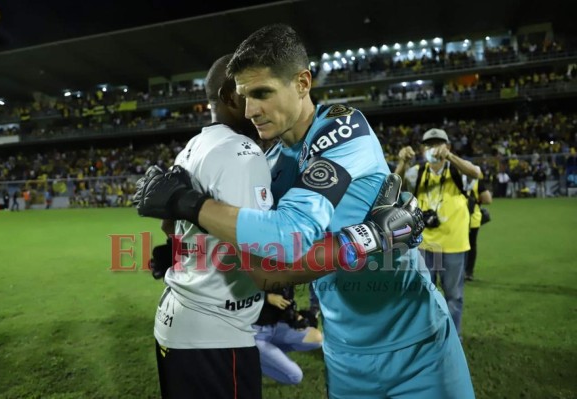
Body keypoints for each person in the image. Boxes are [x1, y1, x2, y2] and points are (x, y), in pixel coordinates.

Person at [136, 24, 473, 399]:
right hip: (345, 354)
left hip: (418, 343)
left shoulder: (343, 127)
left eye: (262, 93)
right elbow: (266, 272)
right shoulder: (272, 162)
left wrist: (185, 203)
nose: (251, 111)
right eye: (245, 97)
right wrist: (370, 239)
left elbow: (285, 235)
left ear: (302, 82)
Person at [150, 54, 269, 399]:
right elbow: (260, 249)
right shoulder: (242, 151)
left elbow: (168, 228)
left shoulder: (193, 146)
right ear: (232, 96)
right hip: (217, 335)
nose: (263, 105)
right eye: (257, 92)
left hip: (177, 323)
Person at [396, 128, 482, 336]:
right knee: (423, 295)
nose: (433, 149)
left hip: (454, 245)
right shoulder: (417, 173)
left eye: (438, 144)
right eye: (429, 144)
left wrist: (450, 157)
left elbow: (476, 172)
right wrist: (402, 163)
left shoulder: (457, 172)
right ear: (422, 149)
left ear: (447, 146)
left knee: (454, 296)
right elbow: (391, 188)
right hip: (425, 245)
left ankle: (452, 337)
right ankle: (427, 336)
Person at [253, 285, 322, 385]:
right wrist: (267, 297)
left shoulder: (284, 278)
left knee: (316, 338)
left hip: (274, 328)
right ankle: (248, 360)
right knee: (295, 376)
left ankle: (265, 357)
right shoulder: (253, 272)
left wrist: (296, 317)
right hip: (253, 335)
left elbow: (285, 308)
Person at [464, 179, 492, 281]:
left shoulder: (453, 178)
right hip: (473, 219)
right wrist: (478, 200)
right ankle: (468, 272)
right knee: (471, 245)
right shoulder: (477, 182)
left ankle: (459, 270)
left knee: (458, 245)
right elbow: (488, 200)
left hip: (457, 219)